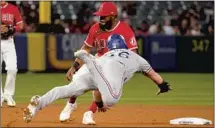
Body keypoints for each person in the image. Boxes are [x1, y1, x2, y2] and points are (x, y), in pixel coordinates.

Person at [23, 34, 171, 124]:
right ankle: (88, 59)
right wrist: (163, 86)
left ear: (110, 47)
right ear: (124, 45)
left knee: (67, 90)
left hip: (97, 70)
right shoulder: (136, 57)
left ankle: (39, 102)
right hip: (103, 73)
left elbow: (98, 88)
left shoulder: (107, 54)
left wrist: (99, 104)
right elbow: (154, 76)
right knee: (112, 99)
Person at [59, 2, 138, 124]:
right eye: (99, 16)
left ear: (113, 16)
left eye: (104, 16)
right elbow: (85, 49)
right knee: (78, 79)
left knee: (102, 90)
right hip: (98, 60)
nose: (100, 18)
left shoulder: (124, 29)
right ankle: (71, 104)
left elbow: (133, 52)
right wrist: (74, 66)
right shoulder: (96, 28)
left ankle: (89, 113)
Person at [1, 1, 24, 107]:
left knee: (12, 68)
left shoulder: (13, 8)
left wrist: (12, 29)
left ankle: (8, 95)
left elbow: (20, 25)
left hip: (8, 42)